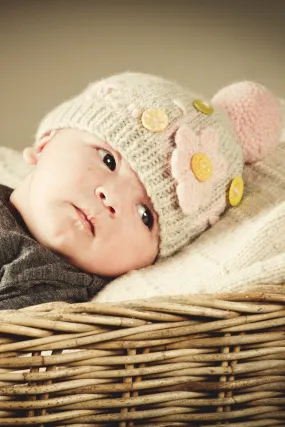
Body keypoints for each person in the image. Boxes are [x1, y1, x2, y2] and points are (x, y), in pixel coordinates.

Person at [0, 72, 282, 310]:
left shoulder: (54, 291)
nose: (112, 200)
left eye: (145, 214)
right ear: (45, 144)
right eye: (108, 160)